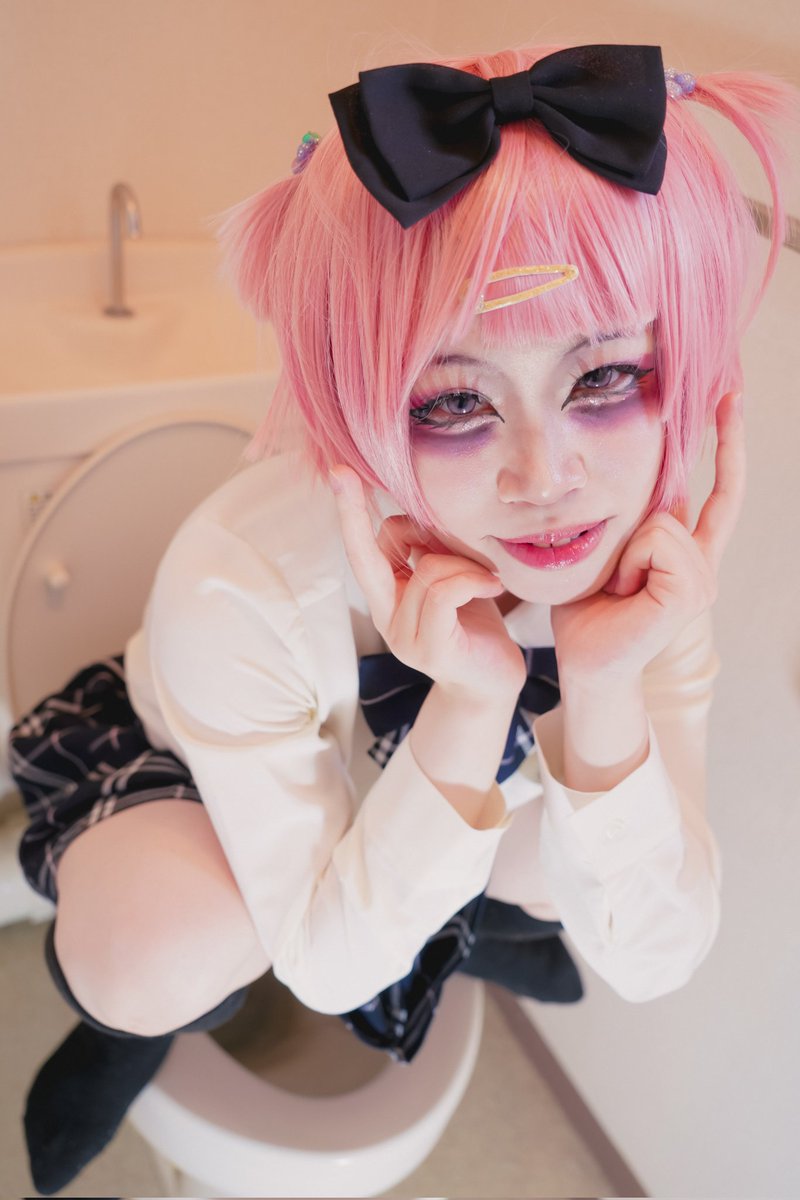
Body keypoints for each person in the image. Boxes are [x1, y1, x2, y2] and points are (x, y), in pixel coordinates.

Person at [8, 40, 797, 1196]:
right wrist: (473, 703)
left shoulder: (642, 564)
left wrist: (605, 685)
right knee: (161, 954)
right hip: (196, 771)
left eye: (601, 379)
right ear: (362, 405)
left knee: (589, 849)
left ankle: (453, 925)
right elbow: (323, 967)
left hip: (415, 777)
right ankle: (130, 1037)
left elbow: (655, 955)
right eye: (455, 401)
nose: (545, 480)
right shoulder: (239, 577)